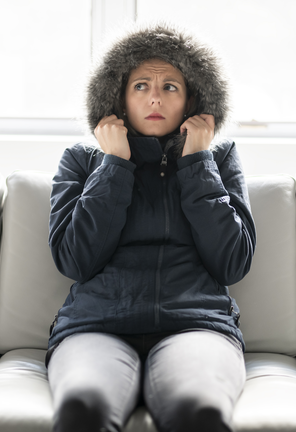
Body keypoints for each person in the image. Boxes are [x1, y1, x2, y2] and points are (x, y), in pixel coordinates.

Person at [46, 22, 256, 432]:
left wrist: (196, 163)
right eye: (140, 85)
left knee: (200, 412)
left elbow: (232, 263)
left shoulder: (220, 158)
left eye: (170, 87)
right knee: (82, 410)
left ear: (193, 99)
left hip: (196, 325)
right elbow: (75, 260)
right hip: (96, 326)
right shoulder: (82, 160)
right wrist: (115, 166)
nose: (155, 97)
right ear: (119, 99)